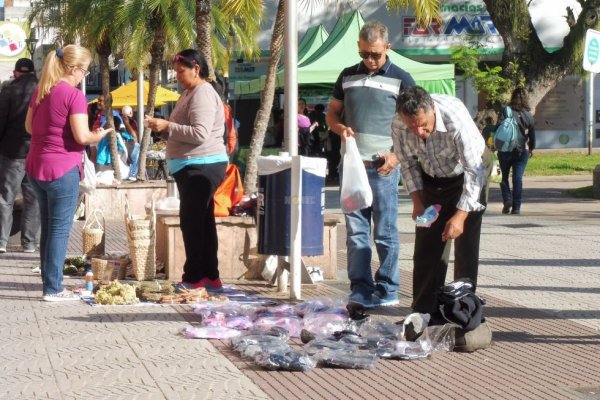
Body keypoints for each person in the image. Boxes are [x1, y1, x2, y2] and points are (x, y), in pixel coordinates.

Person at [326, 20, 416, 308]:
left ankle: (388, 288)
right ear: (359, 48)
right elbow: (332, 114)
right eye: (365, 54)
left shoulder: (402, 78)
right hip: (352, 167)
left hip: (383, 168)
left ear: (388, 48)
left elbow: (416, 125)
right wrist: (340, 129)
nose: (370, 60)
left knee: (385, 231)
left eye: (376, 54)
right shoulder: (347, 76)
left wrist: (396, 156)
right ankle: (361, 289)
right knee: (356, 231)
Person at [24, 45, 112, 301]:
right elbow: (82, 136)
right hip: (62, 169)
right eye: (84, 71)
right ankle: (53, 288)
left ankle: (49, 283)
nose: (84, 75)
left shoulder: (41, 91)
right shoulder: (73, 96)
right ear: (73, 69)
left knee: (49, 228)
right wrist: (101, 134)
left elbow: (29, 127)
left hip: (35, 167)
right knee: (59, 230)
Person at [391, 86, 487, 317]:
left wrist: (460, 215)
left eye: (424, 125)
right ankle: (424, 311)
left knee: (464, 242)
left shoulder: (455, 119)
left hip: (467, 172)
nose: (419, 132)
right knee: (427, 242)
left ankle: (462, 309)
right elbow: (407, 164)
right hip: (431, 176)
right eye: (412, 127)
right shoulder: (398, 124)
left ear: (432, 109)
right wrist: (417, 202)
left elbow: (475, 171)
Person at [144, 49, 227, 291]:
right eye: (176, 72)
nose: (177, 76)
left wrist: (167, 125)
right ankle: (210, 276)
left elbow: (200, 134)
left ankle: (193, 278)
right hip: (193, 165)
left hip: (201, 165)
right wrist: (164, 128)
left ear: (196, 69)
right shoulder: (190, 93)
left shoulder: (202, 93)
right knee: (202, 221)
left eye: (181, 71)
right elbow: (185, 128)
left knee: (192, 223)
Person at [0, 58, 40, 254]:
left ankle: (2, 241)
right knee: (33, 199)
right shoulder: (43, 90)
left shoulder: (8, 90)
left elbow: (1, 120)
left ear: (16, 72)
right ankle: (29, 243)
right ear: (32, 72)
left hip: (11, 151)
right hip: (36, 152)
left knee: (6, 197)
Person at [497, 87, 536, 215]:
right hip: (521, 150)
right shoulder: (528, 114)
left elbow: (498, 128)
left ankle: (507, 199)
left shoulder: (506, 110)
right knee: (517, 178)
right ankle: (516, 207)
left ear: (512, 96)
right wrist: (531, 148)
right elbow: (532, 133)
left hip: (505, 150)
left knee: (503, 177)